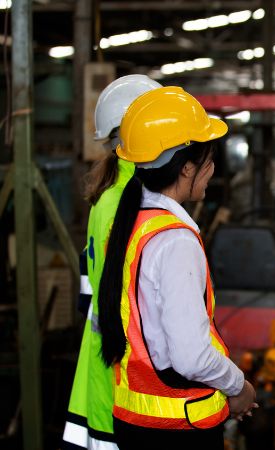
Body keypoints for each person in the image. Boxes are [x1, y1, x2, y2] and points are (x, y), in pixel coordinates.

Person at [96, 86, 257, 449]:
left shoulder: (131, 226)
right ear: (187, 168)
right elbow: (190, 356)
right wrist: (239, 386)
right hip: (178, 428)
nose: (212, 170)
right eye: (209, 160)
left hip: (134, 421)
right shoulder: (175, 240)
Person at [63, 74, 161, 450]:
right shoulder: (132, 203)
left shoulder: (107, 196)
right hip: (122, 377)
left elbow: (89, 296)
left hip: (101, 366)